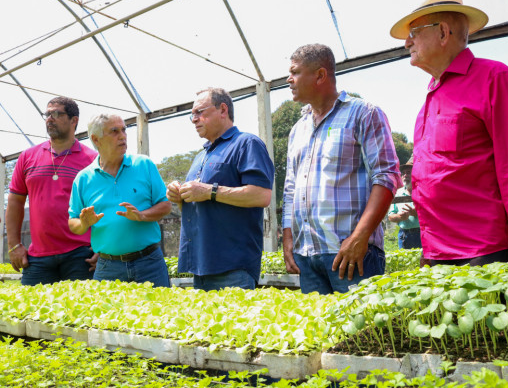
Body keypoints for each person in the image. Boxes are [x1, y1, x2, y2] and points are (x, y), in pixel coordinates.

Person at [390, 0, 508, 266]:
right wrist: (427, 250)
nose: (407, 42)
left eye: (414, 32)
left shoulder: (495, 78)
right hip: (438, 253)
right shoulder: (430, 99)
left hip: (484, 252)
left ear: (443, 32)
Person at [282, 44, 401, 295]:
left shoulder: (363, 113)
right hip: (307, 256)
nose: (288, 79)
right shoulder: (298, 129)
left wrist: (360, 237)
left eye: (295, 72)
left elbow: (386, 176)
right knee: (317, 322)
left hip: (352, 252)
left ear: (320, 75)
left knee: (360, 322)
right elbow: (290, 189)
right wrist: (288, 238)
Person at [166, 88, 274, 291]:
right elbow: (199, 206)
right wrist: (180, 198)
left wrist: (209, 191)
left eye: (200, 112)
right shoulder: (201, 156)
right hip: (200, 267)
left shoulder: (246, 143)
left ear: (223, 110)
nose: (194, 119)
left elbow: (262, 195)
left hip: (233, 268)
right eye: (192, 115)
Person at [68, 114, 171, 287]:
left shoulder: (144, 165)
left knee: (160, 306)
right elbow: (73, 222)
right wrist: (84, 223)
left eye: (124, 130)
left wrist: (142, 216)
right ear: (96, 139)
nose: (122, 136)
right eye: (114, 131)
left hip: (149, 263)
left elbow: (166, 205)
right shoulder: (83, 179)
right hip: (107, 268)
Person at [6, 96, 98, 285]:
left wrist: (103, 248)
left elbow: (105, 205)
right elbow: (15, 202)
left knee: (82, 304)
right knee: (31, 304)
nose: (49, 118)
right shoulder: (27, 157)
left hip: (81, 255)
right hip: (37, 257)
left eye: (56, 114)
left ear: (74, 120)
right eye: (47, 114)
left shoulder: (92, 160)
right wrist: (14, 245)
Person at [388, 156, 421, 249]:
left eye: (408, 173)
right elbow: (390, 216)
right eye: (403, 174)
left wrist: (417, 213)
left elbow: (432, 214)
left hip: (422, 235)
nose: (405, 175)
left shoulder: (422, 191)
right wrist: (399, 217)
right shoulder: (398, 193)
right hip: (404, 236)